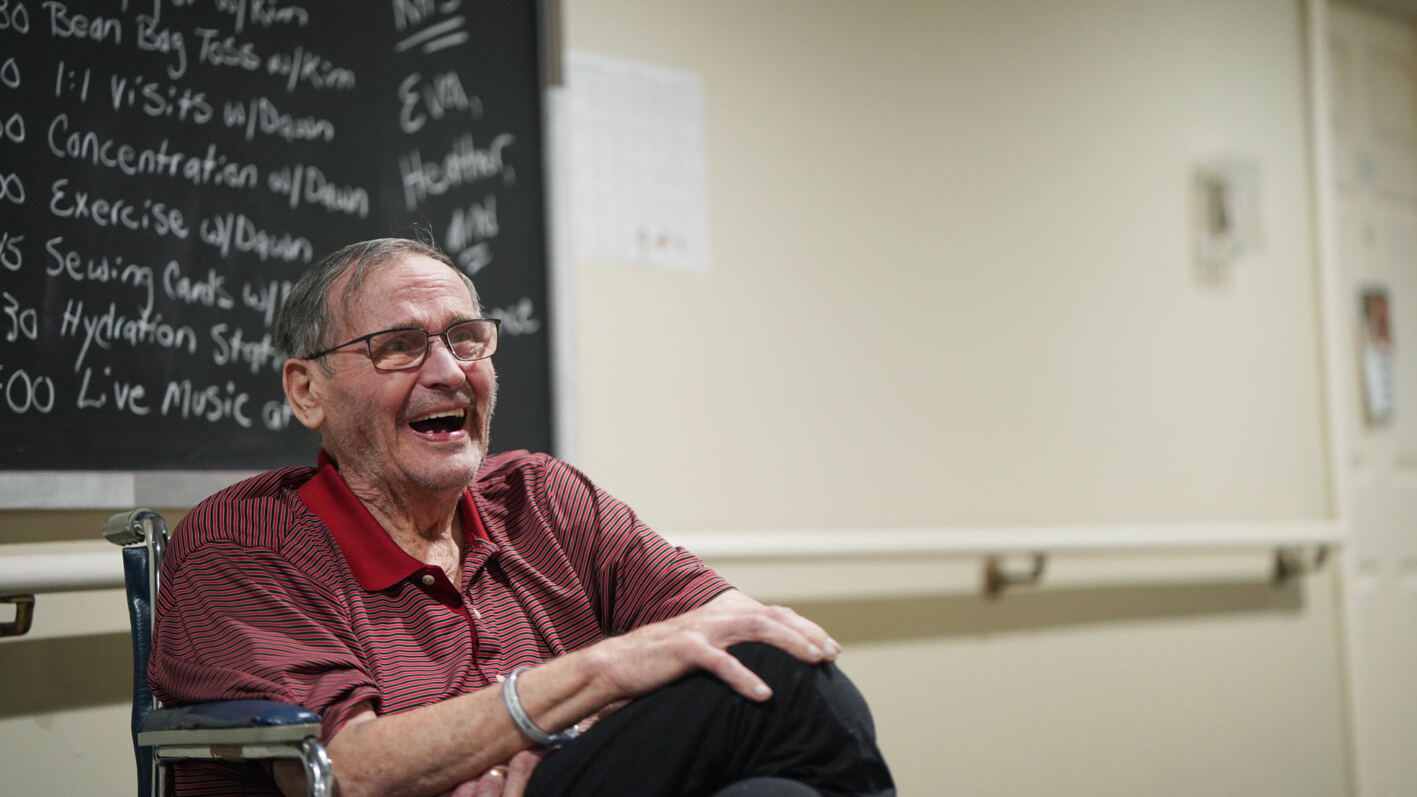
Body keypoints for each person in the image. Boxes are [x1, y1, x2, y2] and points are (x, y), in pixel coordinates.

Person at [150, 237, 894, 797]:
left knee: (779, 784)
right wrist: (600, 673)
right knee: (775, 677)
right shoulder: (245, 541)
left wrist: (555, 735)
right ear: (307, 391)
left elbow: (735, 620)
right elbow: (342, 770)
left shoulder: (541, 497)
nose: (447, 370)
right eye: (399, 347)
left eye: (465, 338)